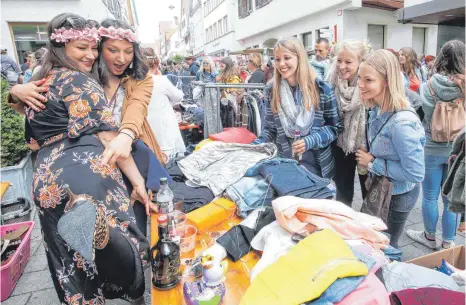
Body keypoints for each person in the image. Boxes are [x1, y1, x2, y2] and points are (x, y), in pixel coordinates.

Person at [8, 13, 150, 304]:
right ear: (61, 48)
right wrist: (139, 184)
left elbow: (32, 140)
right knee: (126, 241)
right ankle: (126, 276)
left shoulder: (40, 83)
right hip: (87, 170)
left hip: (46, 180)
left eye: (92, 48)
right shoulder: (81, 81)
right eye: (82, 48)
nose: (91, 54)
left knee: (68, 260)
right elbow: (109, 139)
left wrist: (15, 93)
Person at [356, 49, 425, 248]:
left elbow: (415, 173)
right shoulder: (376, 109)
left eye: (368, 80)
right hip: (384, 189)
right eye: (360, 78)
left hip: (398, 195)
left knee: (388, 247)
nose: (360, 84)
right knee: (378, 243)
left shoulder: (402, 123)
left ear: (387, 81)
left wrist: (372, 162)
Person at [253, 37, 341, 179]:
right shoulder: (271, 90)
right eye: (277, 59)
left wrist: (310, 140)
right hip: (286, 165)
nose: (281, 64)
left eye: (287, 58)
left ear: (299, 58)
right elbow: (270, 129)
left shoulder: (321, 89)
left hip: (318, 169)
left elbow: (335, 128)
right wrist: (256, 145)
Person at [407, 40, 465, 250]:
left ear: (441, 58)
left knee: (430, 196)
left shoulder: (427, 86)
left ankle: (429, 237)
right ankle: (448, 242)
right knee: (451, 199)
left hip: (431, 148)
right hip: (458, 152)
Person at [328, 39, 370, 207]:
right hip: (339, 144)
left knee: (369, 193)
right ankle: (343, 225)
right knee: (343, 193)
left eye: (348, 61)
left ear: (360, 62)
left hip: (365, 147)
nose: (342, 66)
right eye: (339, 60)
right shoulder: (330, 81)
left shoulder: (370, 84)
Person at [142, 47, 186, 158]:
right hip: (162, 129)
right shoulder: (161, 80)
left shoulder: (135, 80)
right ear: (156, 65)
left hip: (144, 129)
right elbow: (178, 96)